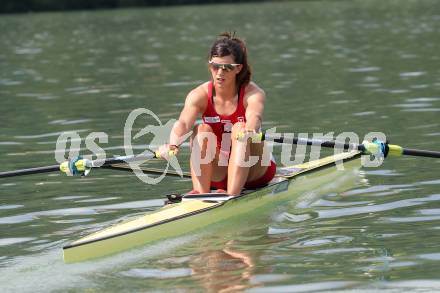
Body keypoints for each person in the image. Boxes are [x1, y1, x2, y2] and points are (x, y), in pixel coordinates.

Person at [158, 32, 276, 196]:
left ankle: (232, 197)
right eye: (215, 66)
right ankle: (200, 194)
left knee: (240, 129)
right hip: (220, 171)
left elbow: (255, 116)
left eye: (227, 67)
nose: (220, 73)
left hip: (255, 171)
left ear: (238, 68)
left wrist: (250, 129)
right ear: (209, 66)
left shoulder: (253, 93)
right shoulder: (198, 95)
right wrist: (172, 144)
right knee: (201, 129)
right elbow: (183, 124)